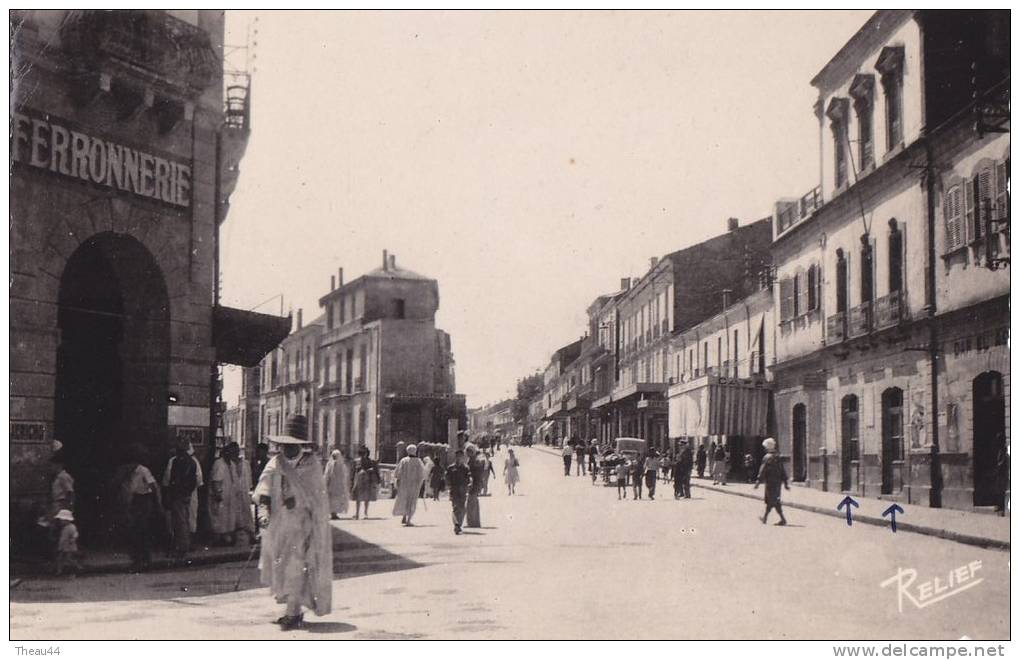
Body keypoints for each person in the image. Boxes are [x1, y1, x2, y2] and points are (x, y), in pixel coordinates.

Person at [254, 414, 333, 631]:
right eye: (284, 445)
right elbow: (263, 490)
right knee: (281, 567)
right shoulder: (275, 463)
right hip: (279, 527)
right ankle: (293, 611)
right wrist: (263, 512)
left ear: (300, 445)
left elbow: (318, 499)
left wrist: (298, 502)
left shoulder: (312, 465)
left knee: (296, 568)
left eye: (292, 445)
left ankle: (292, 612)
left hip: (303, 527)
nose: (286, 449)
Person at [119, 447, 162, 572]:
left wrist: (158, 504)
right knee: (134, 532)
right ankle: (138, 560)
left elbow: (154, 487)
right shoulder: (126, 472)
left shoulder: (143, 470)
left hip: (143, 500)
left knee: (141, 531)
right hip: (134, 501)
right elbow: (127, 491)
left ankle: (145, 561)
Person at [163, 438, 199, 560]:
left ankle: (181, 548)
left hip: (178, 494)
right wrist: (188, 492)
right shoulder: (192, 461)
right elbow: (194, 481)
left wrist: (172, 492)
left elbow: (171, 479)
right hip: (186, 495)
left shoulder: (177, 461)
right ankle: (184, 545)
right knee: (185, 520)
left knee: (179, 522)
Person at [755, 437, 789, 526]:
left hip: (770, 482)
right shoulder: (778, 457)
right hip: (777, 482)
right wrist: (785, 482)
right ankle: (771, 518)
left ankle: (767, 518)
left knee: (771, 500)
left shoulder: (767, 457)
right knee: (775, 500)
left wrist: (758, 481)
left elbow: (762, 469)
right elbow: (782, 470)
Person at [393, 444, 427, 527]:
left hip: (404, 485)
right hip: (414, 485)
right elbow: (422, 474)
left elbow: (397, 473)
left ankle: (404, 517)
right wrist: (420, 483)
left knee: (404, 499)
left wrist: (398, 482)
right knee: (412, 501)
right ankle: (408, 520)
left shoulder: (403, 460)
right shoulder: (418, 461)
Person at [206, 446, 235, 545]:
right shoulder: (219, 464)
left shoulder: (231, 464)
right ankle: (217, 539)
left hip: (228, 497)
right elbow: (216, 481)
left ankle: (225, 537)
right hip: (219, 496)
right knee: (218, 518)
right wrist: (218, 493)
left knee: (227, 518)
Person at [446, 449, 472, 535]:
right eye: (457, 456)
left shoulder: (465, 468)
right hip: (454, 490)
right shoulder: (451, 468)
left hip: (463, 490)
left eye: (460, 456)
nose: (459, 458)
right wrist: (449, 486)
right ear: (455, 457)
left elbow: (469, 477)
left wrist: (469, 484)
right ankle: (456, 524)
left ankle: (459, 524)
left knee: (462, 508)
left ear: (462, 457)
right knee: (455, 508)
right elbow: (447, 478)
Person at [351, 446, 380, 520]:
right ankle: (357, 513)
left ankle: (365, 513)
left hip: (368, 480)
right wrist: (352, 481)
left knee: (367, 497)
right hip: (358, 480)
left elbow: (376, 470)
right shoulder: (356, 461)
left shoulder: (371, 461)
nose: (363, 454)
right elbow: (353, 471)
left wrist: (377, 478)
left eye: (365, 453)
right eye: (362, 453)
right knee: (358, 497)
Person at [324, 449, 351, 520]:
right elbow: (327, 474)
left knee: (337, 499)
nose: (334, 457)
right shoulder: (329, 464)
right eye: (333, 456)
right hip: (331, 484)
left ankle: (334, 513)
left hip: (339, 485)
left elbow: (345, 475)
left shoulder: (342, 465)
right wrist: (325, 482)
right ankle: (332, 513)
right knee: (331, 499)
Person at [53, 509, 80, 576]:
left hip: (69, 547)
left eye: (62, 520)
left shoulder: (71, 527)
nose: (60, 522)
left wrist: (73, 539)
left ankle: (76, 568)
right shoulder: (64, 527)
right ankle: (59, 571)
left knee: (69, 559)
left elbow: (75, 533)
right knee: (59, 558)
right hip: (63, 546)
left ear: (67, 520)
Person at [465, 444, 485, 528]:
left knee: (472, 502)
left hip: (475, 483)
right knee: (472, 502)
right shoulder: (471, 460)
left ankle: (473, 522)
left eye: (469, 452)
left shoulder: (476, 461)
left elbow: (478, 473)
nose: (467, 453)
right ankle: (473, 522)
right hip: (473, 483)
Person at [50, 451, 75, 516]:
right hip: (57, 504)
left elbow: (70, 492)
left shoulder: (63, 476)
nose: (51, 468)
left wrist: (69, 507)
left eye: (52, 465)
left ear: (59, 465)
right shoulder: (58, 477)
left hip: (62, 504)